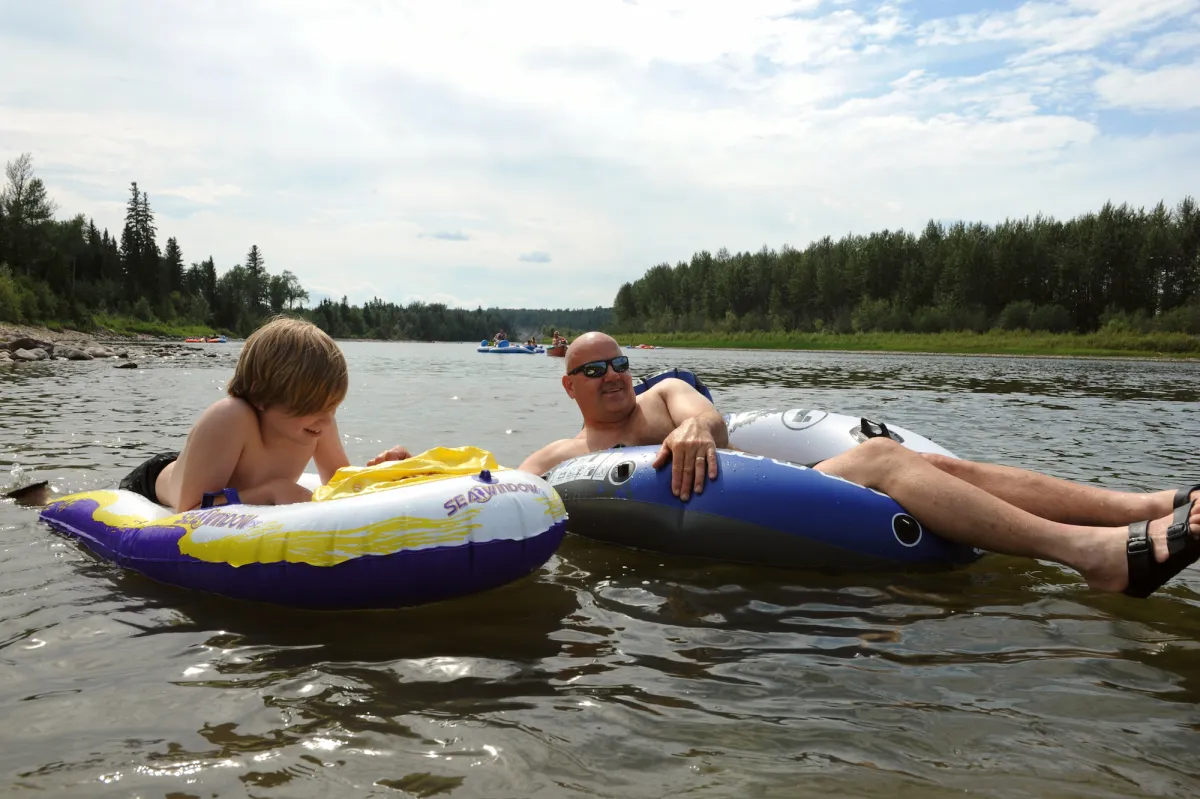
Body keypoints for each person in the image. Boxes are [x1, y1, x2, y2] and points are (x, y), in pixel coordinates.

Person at [518, 332, 1200, 598]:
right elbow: (505, 496)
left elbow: (709, 416)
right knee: (885, 459)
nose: (613, 375)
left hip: (755, 488)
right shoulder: (558, 457)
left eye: (619, 363)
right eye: (595, 368)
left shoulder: (663, 397)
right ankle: (1094, 549)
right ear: (570, 384)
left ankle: (1141, 509)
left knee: (928, 466)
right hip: (724, 514)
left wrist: (696, 426)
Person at [121, 316, 413, 512]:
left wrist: (386, 473)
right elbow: (189, 510)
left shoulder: (317, 423)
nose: (326, 421)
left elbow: (339, 485)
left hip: (218, 474)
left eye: (332, 408)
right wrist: (271, 492)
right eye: (312, 408)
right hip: (155, 485)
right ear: (262, 395)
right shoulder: (231, 417)